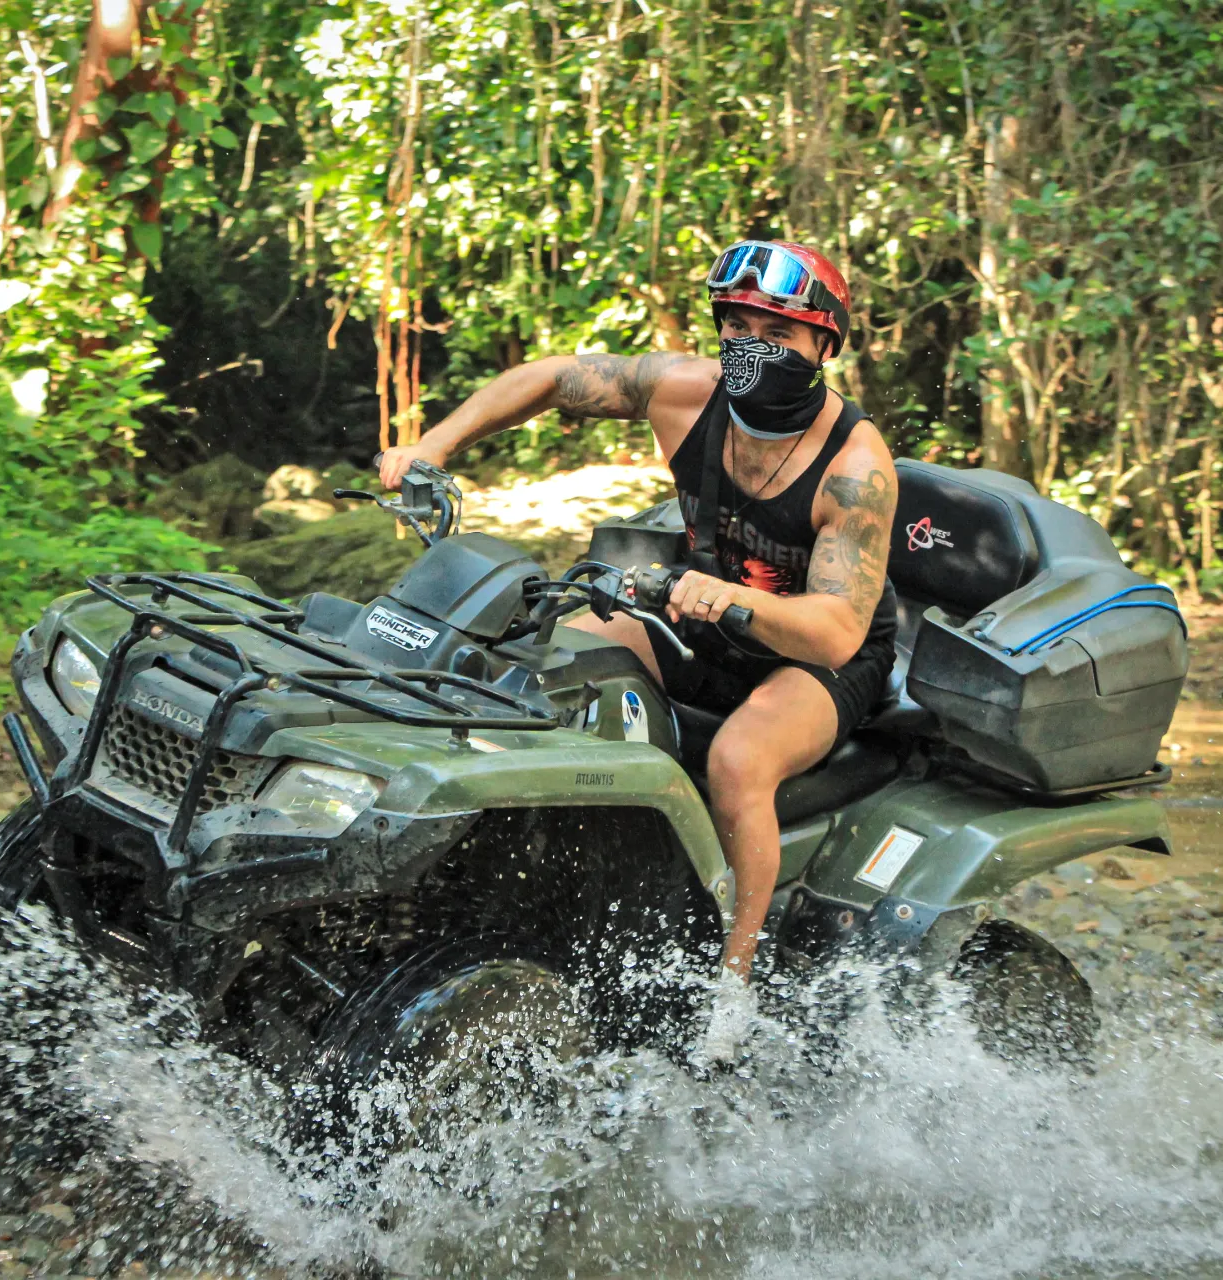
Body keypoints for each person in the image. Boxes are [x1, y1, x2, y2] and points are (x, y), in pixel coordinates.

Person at [380, 240, 899, 983]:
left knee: (738, 761)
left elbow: (837, 627)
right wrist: (435, 445)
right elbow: (556, 378)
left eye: (779, 335)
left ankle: (734, 974)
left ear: (824, 342)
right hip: (702, 610)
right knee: (547, 666)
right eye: (740, 328)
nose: (754, 349)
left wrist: (735, 598)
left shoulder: (854, 467)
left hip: (814, 655)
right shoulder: (684, 391)